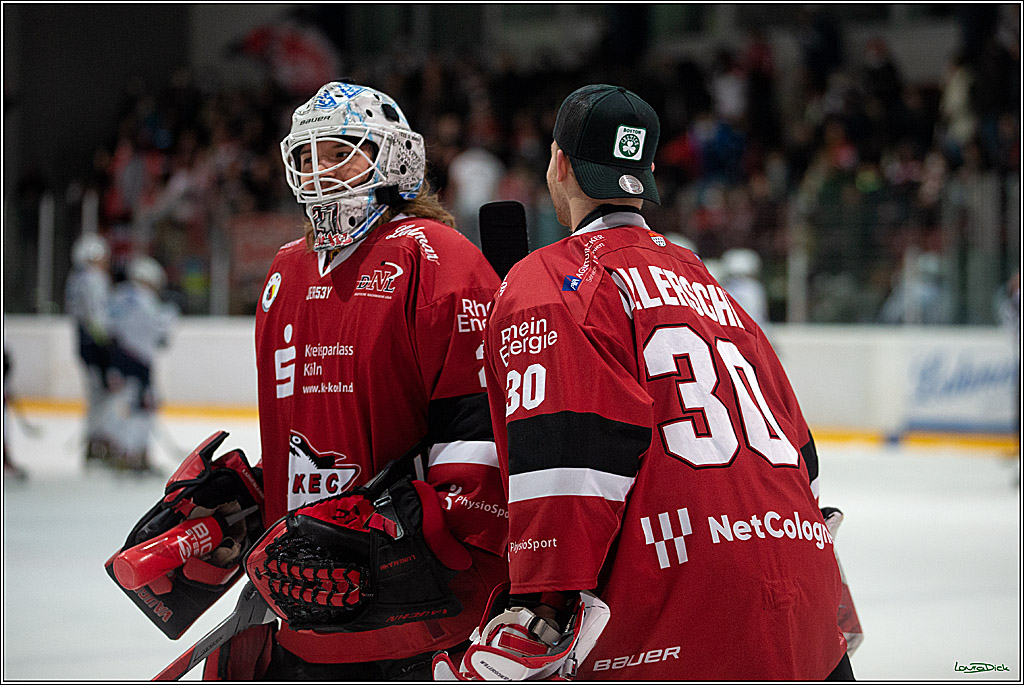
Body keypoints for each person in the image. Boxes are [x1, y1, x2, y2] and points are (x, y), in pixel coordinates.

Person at [448, 84, 853, 680]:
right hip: (808, 606)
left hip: (682, 618)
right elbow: (802, 454)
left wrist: (540, 608)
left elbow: (565, 461)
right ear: (650, 171)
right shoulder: (704, 280)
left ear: (558, 162)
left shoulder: (551, 279)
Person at [216, 81, 508, 680]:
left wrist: (404, 537)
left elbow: (479, 444)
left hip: (417, 626)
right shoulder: (283, 273)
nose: (318, 170)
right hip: (302, 619)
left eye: (339, 150)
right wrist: (239, 510)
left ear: (395, 157)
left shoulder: (437, 257)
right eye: (305, 155)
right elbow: (308, 434)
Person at [106, 255, 178, 472]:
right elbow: (159, 334)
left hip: (118, 358)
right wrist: (171, 315)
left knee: (124, 405)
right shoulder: (146, 299)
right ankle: (136, 454)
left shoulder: (118, 296)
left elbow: (107, 326)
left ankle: (124, 453)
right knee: (143, 408)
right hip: (139, 361)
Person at [64, 233, 115, 465]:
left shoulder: (75, 279)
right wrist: (109, 343)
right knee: (102, 395)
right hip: (95, 344)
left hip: (84, 343)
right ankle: (97, 442)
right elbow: (97, 316)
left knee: (97, 393)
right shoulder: (94, 279)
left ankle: (96, 442)